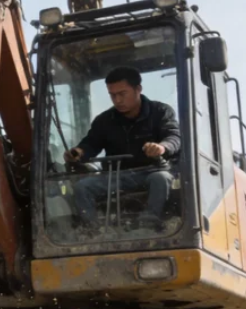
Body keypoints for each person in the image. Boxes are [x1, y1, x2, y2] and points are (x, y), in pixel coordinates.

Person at [63, 66, 181, 230]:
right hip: (117, 176)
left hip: (151, 171)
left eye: (122, 94)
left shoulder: (161, 112)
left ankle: (149, 223)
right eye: (112, 95)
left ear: (138, 89)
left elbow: (174, 137)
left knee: (161, 178)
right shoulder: (104, 120)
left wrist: (162, 147)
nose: (117, 100)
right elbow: (90, 144)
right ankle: (93, 230)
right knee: (82, 187)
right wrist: (78, 153)